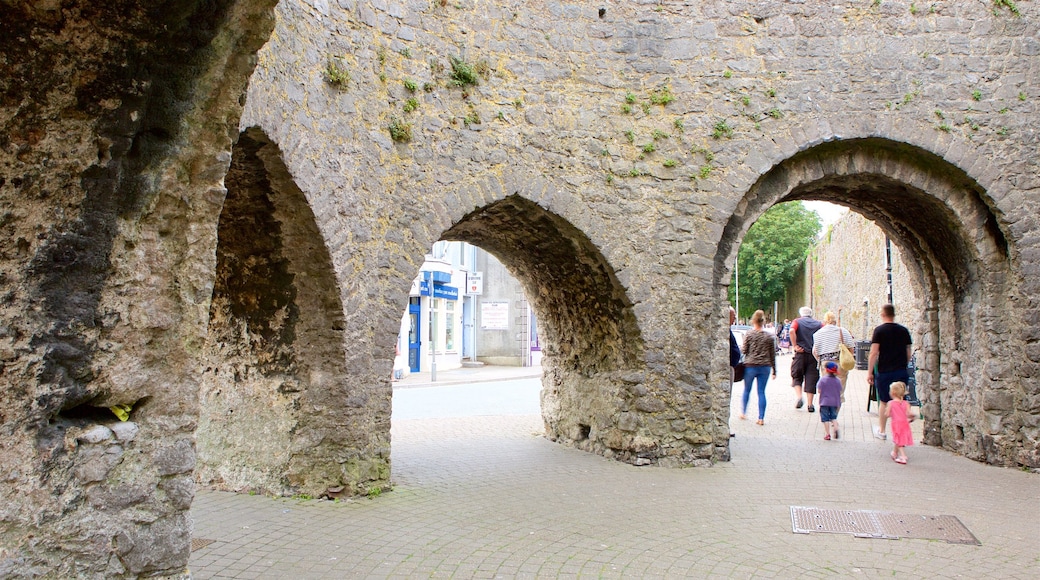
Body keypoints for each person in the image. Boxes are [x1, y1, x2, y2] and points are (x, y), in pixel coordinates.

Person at [866, 304, 912, 440]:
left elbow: (874, 353)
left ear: (883, 314)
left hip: (884, 371)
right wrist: (903, 364)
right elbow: (908, 353)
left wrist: (870, 372)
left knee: (884, 402)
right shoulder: (904, 331)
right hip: (900, 370)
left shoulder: (879, 331)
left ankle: (882, 430)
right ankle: (900, 431)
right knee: (900, 400)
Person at [740, 309, 777, 426]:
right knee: (761, 392)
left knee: (747, 390)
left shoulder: (749, 334)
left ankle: (743, 412)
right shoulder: (769, 337)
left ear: (753, 320)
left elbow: (744, 350)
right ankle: (761, 418)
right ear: (763, 321)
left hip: (750, 366)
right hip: (765, 366)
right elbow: (772, 355)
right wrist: (774, 370)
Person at [811, 311, 856, 404]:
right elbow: (851, 347)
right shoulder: (842, 331)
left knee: (827, 388)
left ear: (825, 321)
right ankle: (834, 414)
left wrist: (821, 361)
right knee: (839, 391)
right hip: (840, 363)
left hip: (825, 363)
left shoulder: (818, 334)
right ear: (834, 320)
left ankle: (827, 409)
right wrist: (848, 358)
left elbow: (814, 351)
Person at [789, 306, 821, 412]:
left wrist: (795, 346)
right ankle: (810, 404)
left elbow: (791, 331)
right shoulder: (818, 324)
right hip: (813, 355)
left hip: (800, 353)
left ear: (801, 314)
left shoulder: (797, 322)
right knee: (811, 378)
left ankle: (799, 397)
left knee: (796, 375)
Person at [886, 381, 915, 464]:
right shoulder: (906, 403)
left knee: (899, 440)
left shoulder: (891, 403)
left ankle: (903, 456)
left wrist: (891, 413)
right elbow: (909, 414)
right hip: (905, 423)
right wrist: (912, 417)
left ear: (893, 393)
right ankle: (895, 452)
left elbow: (887, 414)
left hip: (896, 424)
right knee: (900, 438)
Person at [817, 361, 843, 440]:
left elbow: (819, 390)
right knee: (833, 417)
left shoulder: (823, 380)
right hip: (834, 402)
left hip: (824, 402)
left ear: (826, 370)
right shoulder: (838, 380)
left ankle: (828, 434)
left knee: (825, 418)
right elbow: (840, 390)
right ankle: (836, 428)